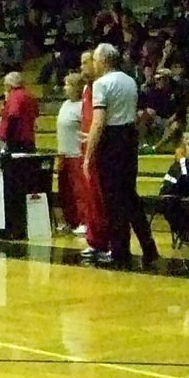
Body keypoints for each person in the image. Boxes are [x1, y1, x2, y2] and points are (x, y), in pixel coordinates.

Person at [83, 43, 159, 268]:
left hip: (112, 143)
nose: (94, 64)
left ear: (104, 61)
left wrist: (88, 156)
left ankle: (119, 250)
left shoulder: (101, 84)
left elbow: (99, 121)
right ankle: (148, 246)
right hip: (129, 139)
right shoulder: (130, 81)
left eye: (95, 60)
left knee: (113, 200)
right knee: (130, 196)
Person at [77, 49, 110, 261]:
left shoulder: (101, 87)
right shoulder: (87, 89)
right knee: (90, 198)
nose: (81, 68)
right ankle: (94, 239)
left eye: (84, 63)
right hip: (86, 147)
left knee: (100, 198)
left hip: (98, 149)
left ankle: (105, 241)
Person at [55, 72, 88, 234]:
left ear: (76, 87)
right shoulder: (65, 104)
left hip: (76, 154)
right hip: (63, 154)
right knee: (65, 191)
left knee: (79, 191)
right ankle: (70, 220)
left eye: (68, 85)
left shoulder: (82, 106)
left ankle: (84, 221)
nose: (65, 88)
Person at [0, 71, 39, 153]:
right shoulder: (30, 95)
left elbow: (13, 115)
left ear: (9, 85)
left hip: (17, 140)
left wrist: (6, 135)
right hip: (29, 137)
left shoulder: (14, 96)